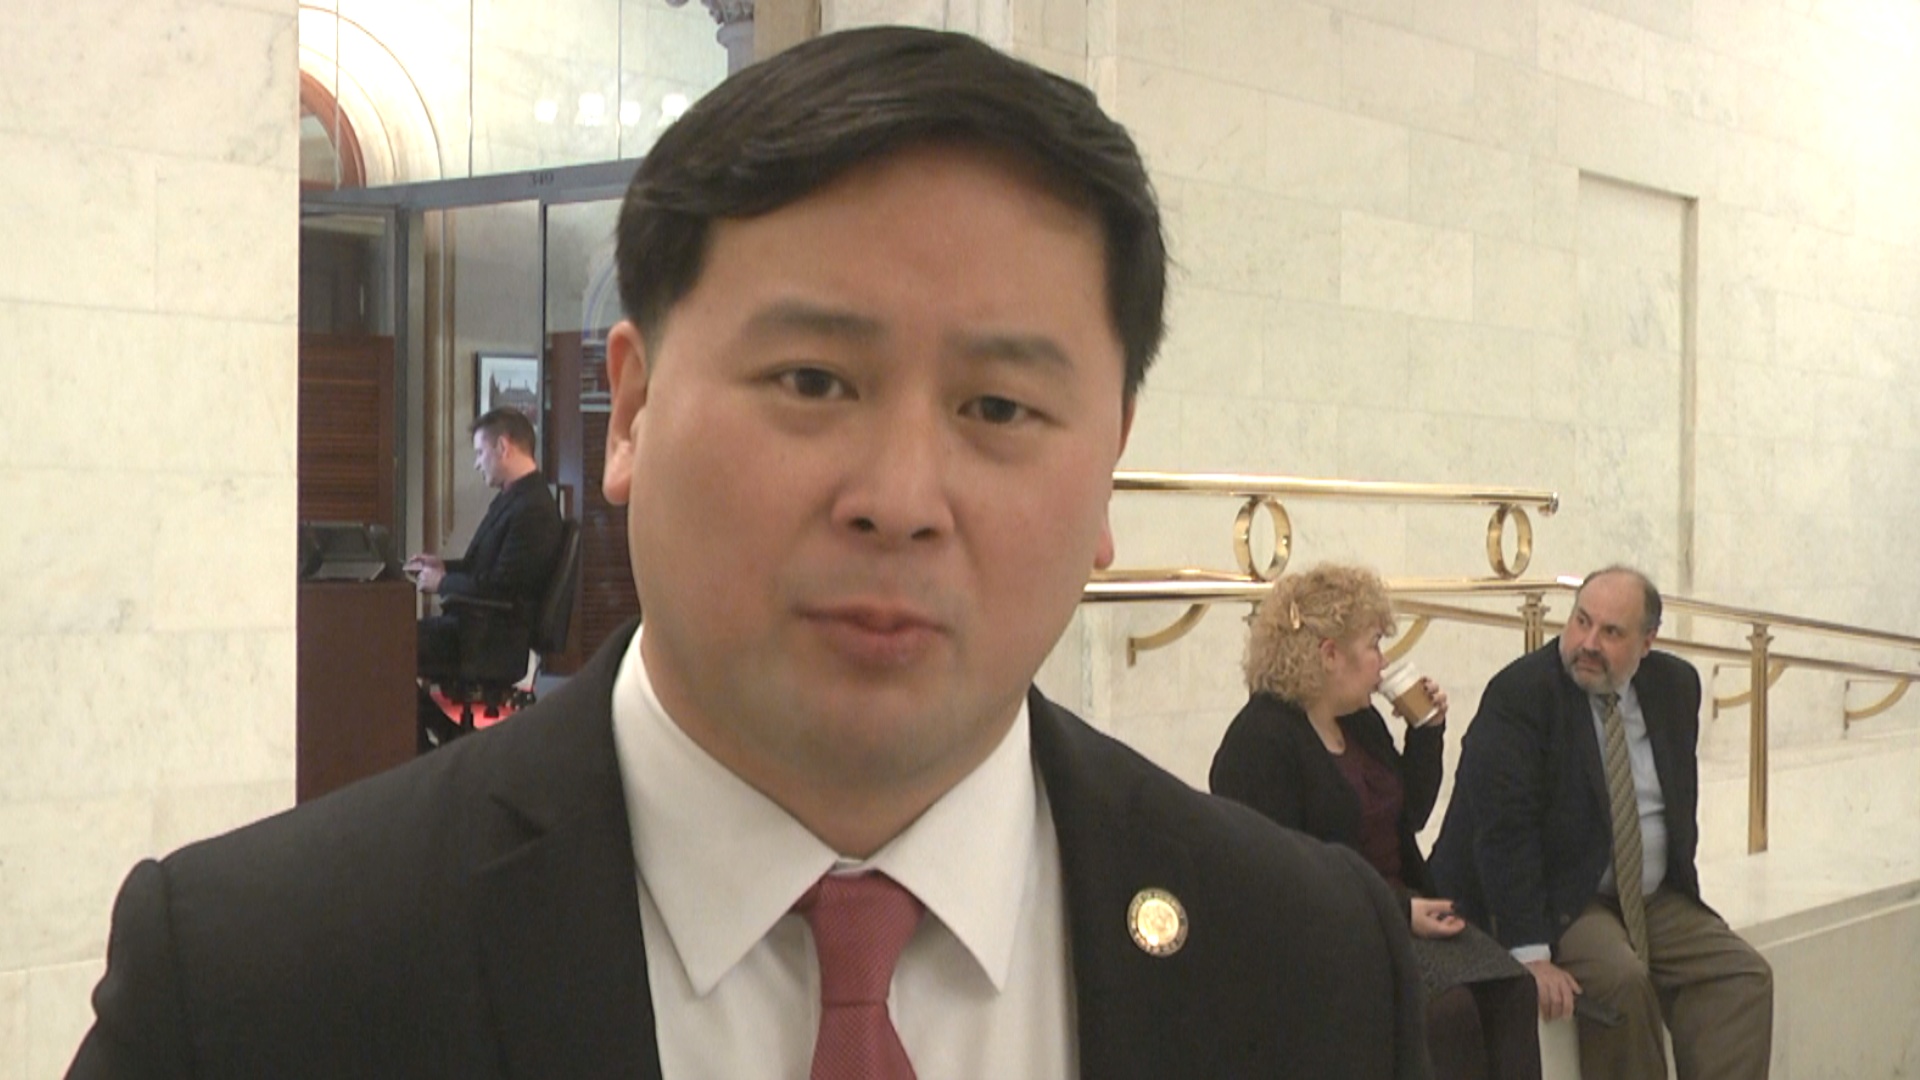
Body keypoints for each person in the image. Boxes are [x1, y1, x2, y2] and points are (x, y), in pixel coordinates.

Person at [67, 26, 1430, 1080]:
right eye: (812, 381)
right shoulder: (258, 977)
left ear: (1108, 463)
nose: (901, 500)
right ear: (633, 410)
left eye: (1000, 408)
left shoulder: (1307, 965)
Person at [1429, 566, 1774, 1079]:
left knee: (1744, 976)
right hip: (1564, 896)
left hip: (1653, 896)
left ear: (1647, 641)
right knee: (1622, 978)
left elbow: (1677, 800)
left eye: (1611, 632)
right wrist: (1531, 953)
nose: (1588, 643)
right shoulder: (1521, 694)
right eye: (1581, 621)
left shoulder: (1675, 685)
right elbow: (1502, 832)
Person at [1212, 564, 1542, 1080]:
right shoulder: (1259, 742)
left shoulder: (1360, 720)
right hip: (1332, 929)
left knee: (1513, 988)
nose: (1383, 662)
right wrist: (1399, 910)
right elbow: (1283, 877)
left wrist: (1426, 732)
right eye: (1373, 645)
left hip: (1400, 908)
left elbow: (1410, 817)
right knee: (1446, 1012)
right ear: (1329, 655)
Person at [406, 407, 563, 746]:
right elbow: (484, 570)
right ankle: (444, 739)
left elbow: (502, 589)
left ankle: (432, 746)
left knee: (387, 648)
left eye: (480, 452)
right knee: (388, 643)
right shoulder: (515, 498)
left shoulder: (532, 509)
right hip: (479, 628)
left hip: (490, 638)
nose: (477, 463)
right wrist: (443, 567)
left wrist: (442, 583)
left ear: (503, 447)